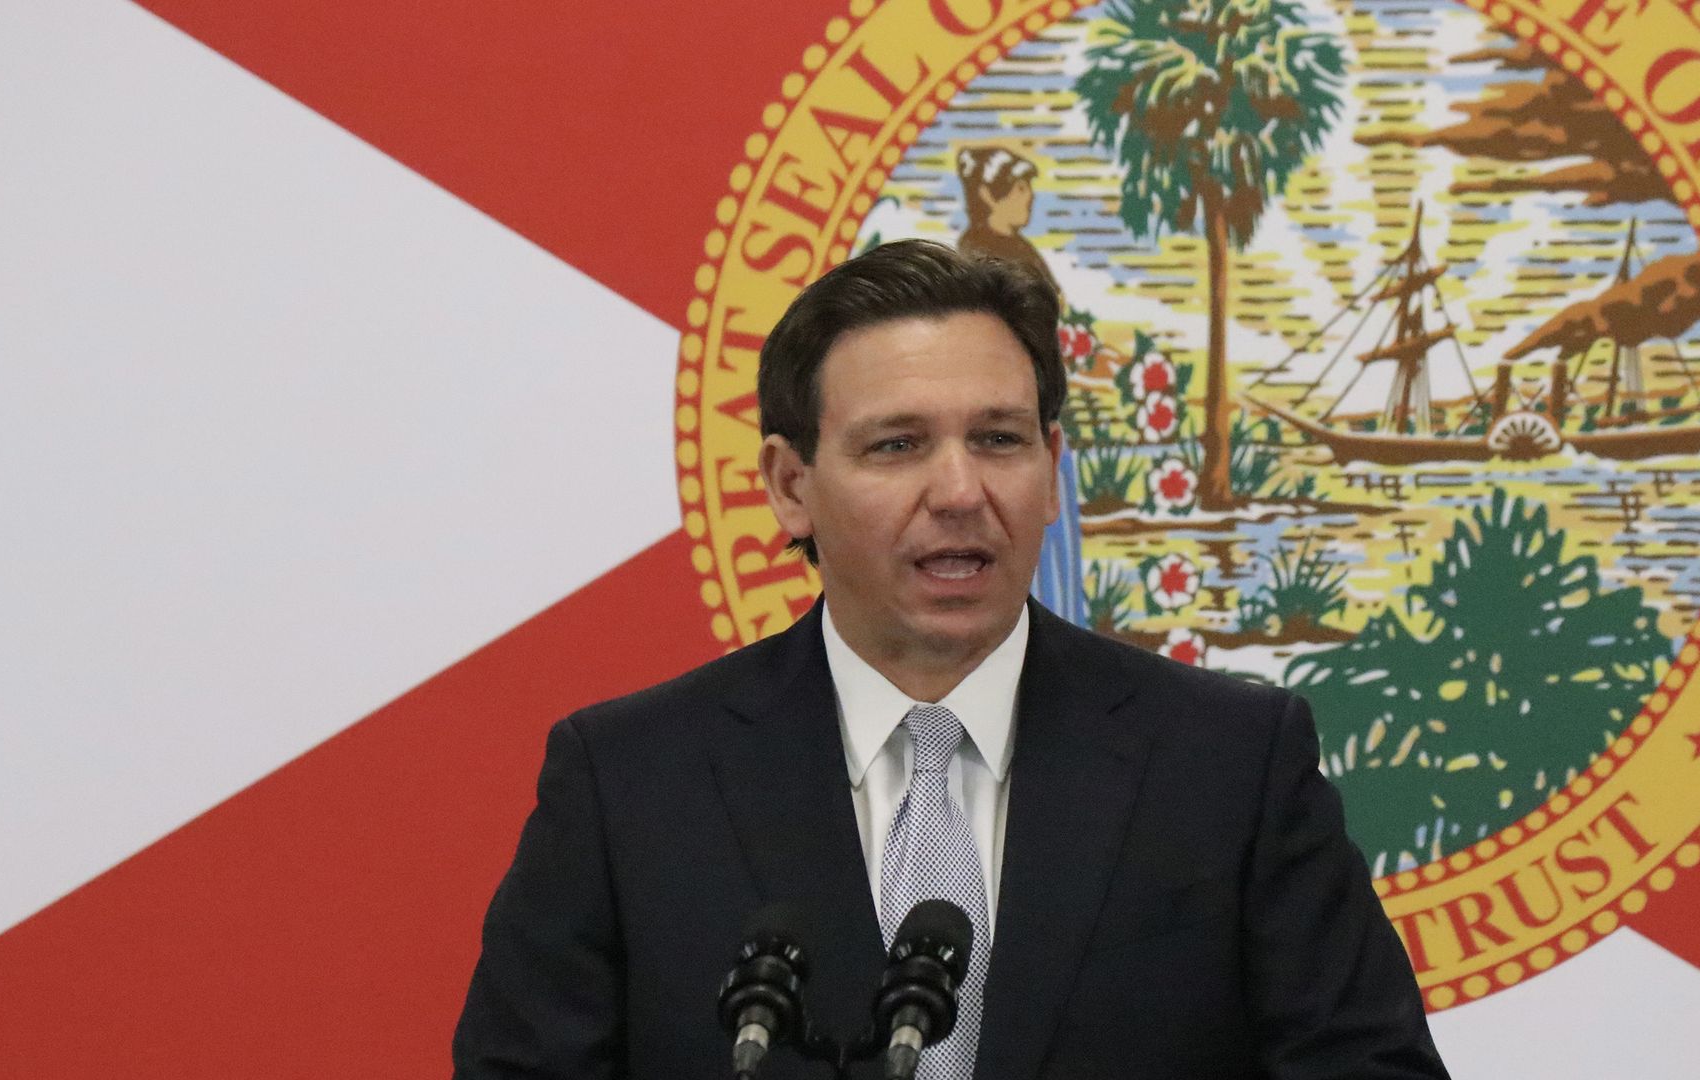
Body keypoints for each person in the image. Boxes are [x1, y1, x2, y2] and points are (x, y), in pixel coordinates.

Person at [452, 240, 1449, 1079]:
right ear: (791, 485)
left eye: (999, 440)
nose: (962, 492)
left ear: (1052, 472)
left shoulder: (1229, 763)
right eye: (897, 446)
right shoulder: (628, 782)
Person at [954, 145, 1085, 629]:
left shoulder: (1018, 250)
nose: (1029, 197)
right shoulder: (984, 256)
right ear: (991, 195)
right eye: (1020, 187)